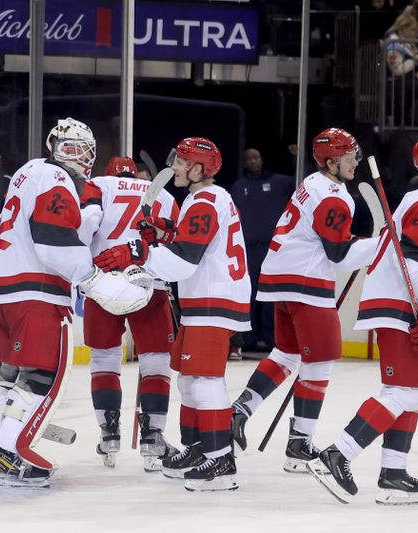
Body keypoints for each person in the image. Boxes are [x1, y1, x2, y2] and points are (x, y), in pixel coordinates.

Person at [0, 117, 153, 488]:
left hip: (2, 288)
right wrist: (94, 280)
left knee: (10, 373)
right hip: (35, 291)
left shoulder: (27, 172)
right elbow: (52, 239)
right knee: (41, 375)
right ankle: (14, 454)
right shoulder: (56, 178)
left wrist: (88, 215)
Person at [307, 136, 418, 505]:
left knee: (412, 391)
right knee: (401, 391)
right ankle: (338, 453)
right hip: (401, 306)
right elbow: (411, 253)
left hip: (397, 303)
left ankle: (393, 472)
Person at [94, 137, 251, 492]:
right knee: (188, 381)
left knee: (205, 382)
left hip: (215, 300)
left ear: (197, 169)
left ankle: (221, 460)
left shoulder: (205, 200)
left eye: (180, 162)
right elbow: (190, 243)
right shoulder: (204, 198)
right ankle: (199, 450)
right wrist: (164, 231)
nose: (174, 167)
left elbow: (183, 261)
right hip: (205, 301)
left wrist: (138, 250)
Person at [231, 128, 377, 474]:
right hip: (305, 282)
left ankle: (240, 411)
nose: (355, 161)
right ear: (331, 161)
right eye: (349, 156)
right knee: (320, 363)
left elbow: (328, 239)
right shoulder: (334, 196)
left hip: (278, 277)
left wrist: (363, 241)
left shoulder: (312, 182)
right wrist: (379, 245)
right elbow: (339, 254)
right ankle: (300, 444)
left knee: (286, 354)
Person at [77, 155, 181, 471]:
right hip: (150, 281)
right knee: (156, 361)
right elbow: (177, 238)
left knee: (104, 358)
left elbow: (82, 226)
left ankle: (109, 435)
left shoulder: (97, 185)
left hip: (103, 281)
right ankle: (153, 438)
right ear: (137, 175)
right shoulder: (160, 192)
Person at [230, 147, 295, 356]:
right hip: (246, 249)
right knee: (247, 293)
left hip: (271, 249)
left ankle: (270, 337)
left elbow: (302, 182)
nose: (253, 161)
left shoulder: (278, 182)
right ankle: (248, 337)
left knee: (269, 296)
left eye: (256, 157)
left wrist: (295, 158)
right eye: (248, 158)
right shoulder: (238, 187)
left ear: (262, 159)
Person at [385, 13, 418, 127]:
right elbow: (397, 70)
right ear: (403, 28)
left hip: (409, 80)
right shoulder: (393, 44)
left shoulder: (408, 44)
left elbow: (415, 68)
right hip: (396, 83)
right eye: (412, 30)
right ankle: (407, 119)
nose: (414, 34)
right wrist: (416, 60)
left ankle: (416, 121)